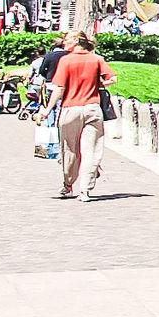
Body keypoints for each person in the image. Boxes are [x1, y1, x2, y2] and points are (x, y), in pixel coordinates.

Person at [47, 33, 115, 200]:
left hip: (71, 108)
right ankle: (85, 189)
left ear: (77, 41)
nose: (64, 43)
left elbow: (59, 88)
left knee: (69, 149)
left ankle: (68, 185)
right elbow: (113, 79)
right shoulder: (96, 59)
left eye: (67, 40)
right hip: (93, 108)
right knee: (91, 150)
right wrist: (98, 84)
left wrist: (47, 109)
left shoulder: (66, 60)